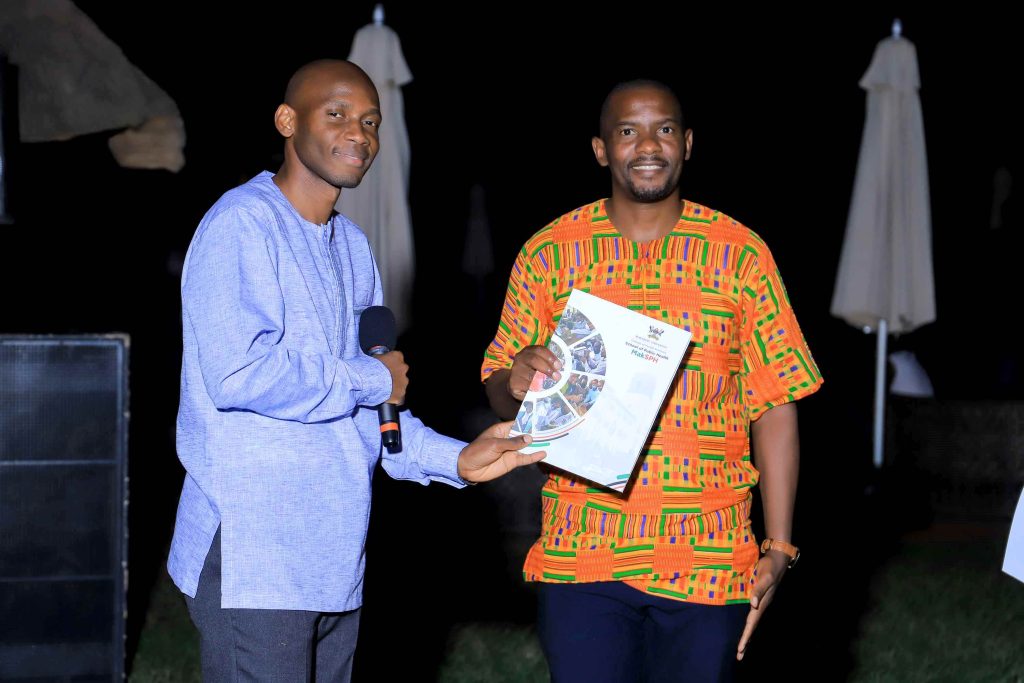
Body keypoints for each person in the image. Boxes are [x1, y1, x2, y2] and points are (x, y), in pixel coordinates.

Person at [167, 59, 543, 682]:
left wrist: (456, 459)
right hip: (256, 555)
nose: (360, 134)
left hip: (334, 556)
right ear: (288, 121)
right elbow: (240, 375)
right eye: (336, 114)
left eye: (371, 121)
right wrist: (372, 380)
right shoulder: (242, 222)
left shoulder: (353, 246)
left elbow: (373, 418)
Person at [481, 79, 822, 682]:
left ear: (687, 144)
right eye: (627, 130)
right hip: (581, 551)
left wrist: (779, 546)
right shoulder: (548, 254)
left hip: (709, 554)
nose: (648, 144)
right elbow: (498, 375)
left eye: (664, 129)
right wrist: (517, 376)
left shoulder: (740, 255)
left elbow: (775, 403)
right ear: (600, 148)